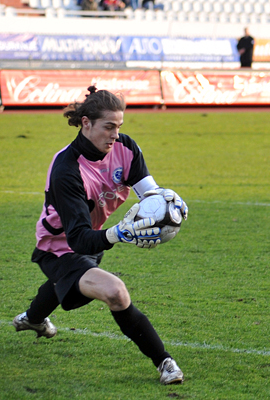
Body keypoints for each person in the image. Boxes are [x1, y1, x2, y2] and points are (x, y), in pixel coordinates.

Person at [12, 86, 188, 385]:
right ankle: (165, 362)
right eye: (109, 127)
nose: (115, 134)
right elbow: (78, 240)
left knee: (66, 283)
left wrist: (165, 209)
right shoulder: (66, 169)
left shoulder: (125, 148)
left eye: (118, 127)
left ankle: (32, 319)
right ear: (86, 123)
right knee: (115, 292)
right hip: (59, 246)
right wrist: (119, 233)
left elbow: (151, 195)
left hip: (93, 235)